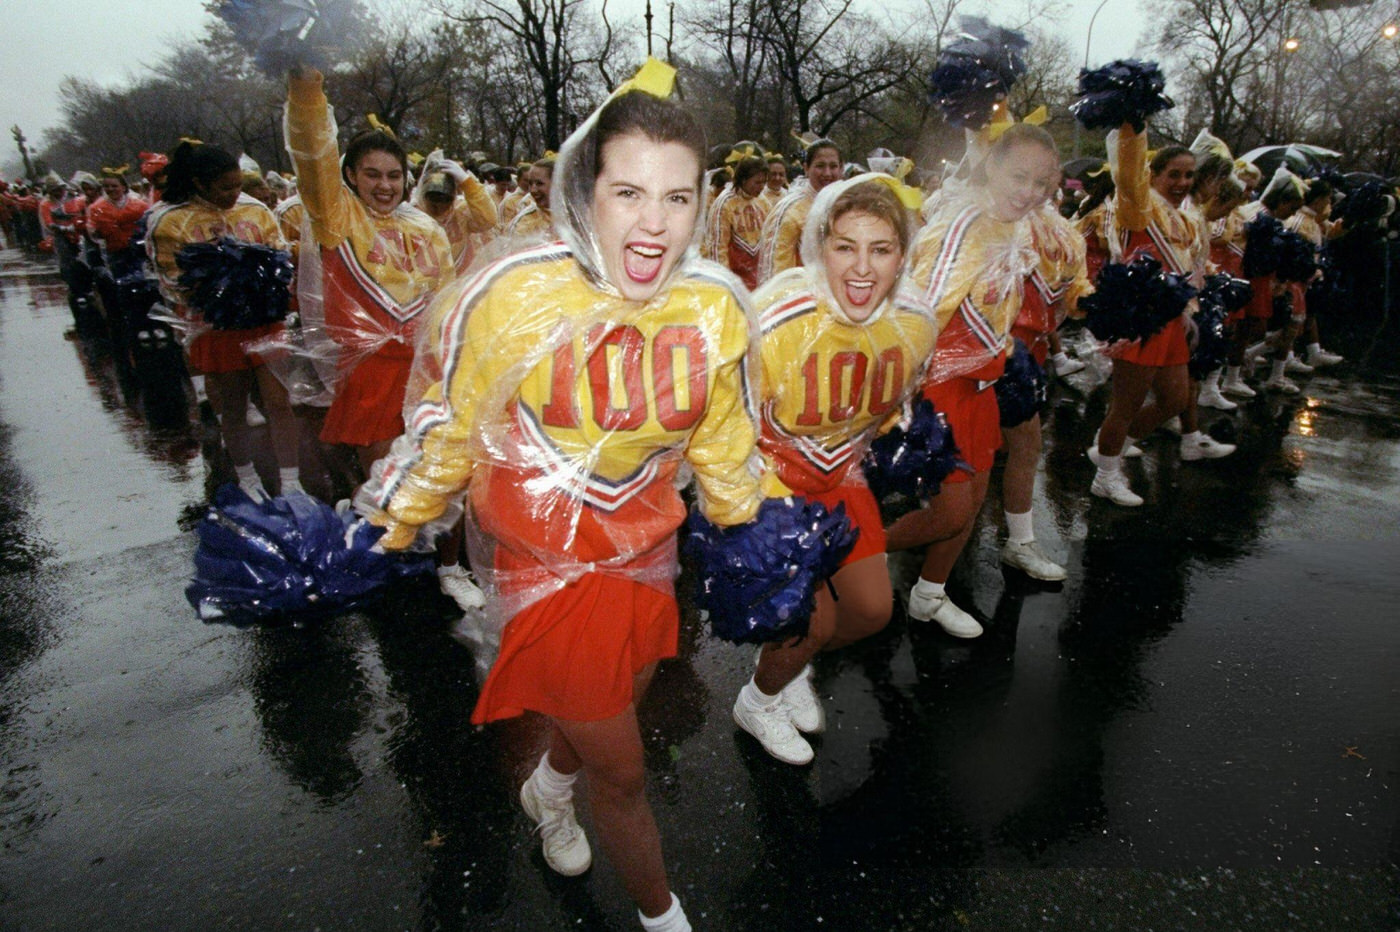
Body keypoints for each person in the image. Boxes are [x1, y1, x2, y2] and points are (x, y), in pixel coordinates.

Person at [359, 63, 759, 932]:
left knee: (620, 699)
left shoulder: (715, 306)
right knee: (624, 772)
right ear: (586, 191)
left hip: (647, 555)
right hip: (547, 568)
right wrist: (386, 530)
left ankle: (547, 785)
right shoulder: (514, 293)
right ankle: (661, 914)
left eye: (678, 197)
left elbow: (724, 439)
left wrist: (748, 526)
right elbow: (449, 429)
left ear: (702, 204)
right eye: (629, 192)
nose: (654, 222)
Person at [732, 174, 936, 764]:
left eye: (882, 248)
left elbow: (894, 406)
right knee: (811, 622)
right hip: (770, 484)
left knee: (872, 611)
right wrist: (759, 513)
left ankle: (786, 667)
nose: (862, 267)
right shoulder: (775, 317)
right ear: (819, 246)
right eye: (845, 246)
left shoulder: (916, 321)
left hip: (841, 480)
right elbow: (725, 428)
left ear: (904, 254)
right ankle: (757, 699)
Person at [884, 123, 1058, 637]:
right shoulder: (961, 224)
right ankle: (843, 552)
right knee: (948, 513)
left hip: (982, 385)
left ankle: (929, 594)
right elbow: (919, 315)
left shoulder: (1012, 224)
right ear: (992, 166)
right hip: (940, 388)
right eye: (1019, 176)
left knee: (970, 505)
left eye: (1041, 184)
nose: (1029, 193)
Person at [283, 66, 453, 474]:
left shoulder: (426, 228)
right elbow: (313, 155)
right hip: (372, 373)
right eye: (372, 174)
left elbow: (449, 299)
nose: (384, 185)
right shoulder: (337, 218)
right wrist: (307, 86)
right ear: (350, 177)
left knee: (433, 487)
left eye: (394, 175)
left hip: (427, 370)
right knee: (384, 484)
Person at [146, 141, 303, 501]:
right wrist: (219, 283)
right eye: (225, 188)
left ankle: (292, 481)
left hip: (265, 322)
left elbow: (280, 253)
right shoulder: (169, 219)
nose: (235, 194)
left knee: (280, 403)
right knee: (234, 408)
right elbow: (171, 282)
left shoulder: (256, 209)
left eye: (237, 186)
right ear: (200, 183)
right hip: (217, 329)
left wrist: (267, 276)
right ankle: (247, 476)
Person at [1086, 131, 1222, 508]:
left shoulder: (1186, 218)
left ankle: (1111, 448)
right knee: (1124, 405)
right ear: (1154, 175)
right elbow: (1129, 173)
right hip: (1139, 318)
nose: (1182, 183)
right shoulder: (1138, 206)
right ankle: (1105, 476)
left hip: (1171, 319)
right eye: (1173, 175)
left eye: (1188, 175)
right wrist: (1133, 122)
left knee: (1176, 399)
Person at [997, 196, 1093, 581]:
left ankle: (1019, 542)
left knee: (1019, 446)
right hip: (993, 346)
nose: (1033, 185)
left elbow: (1074, 279)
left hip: (1032, 347)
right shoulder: (985, 218)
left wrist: (1086, 297)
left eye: (1044, 176)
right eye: (1020, 174)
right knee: (1012, 448)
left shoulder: (1060, 228)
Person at [756, 139, 843, 282]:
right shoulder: (790, 209)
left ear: (841, 169)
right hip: (803, 298)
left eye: (833, 166)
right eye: (820, 166)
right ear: (806, 168)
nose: (827, 173)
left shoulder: (846, 205)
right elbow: (775, 272)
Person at [412, 158, 498, 276]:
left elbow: (488, 220)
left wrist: (468, 184)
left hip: (458, 285)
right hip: (423, 286)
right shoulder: (413, 215)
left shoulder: (461, 213)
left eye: (445, 199)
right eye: (433, 198)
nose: (439, 204)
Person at [702, 154, 768, 289]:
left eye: (763, 182)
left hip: (758, 280)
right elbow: (717, 247)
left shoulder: (763, 202)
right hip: (734, 280)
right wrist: (724, 284)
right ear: (743, 180)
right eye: (757, 182)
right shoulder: (725, 204)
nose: (761, 187)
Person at [505, 157, 555, 239]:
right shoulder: (524, 221)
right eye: (530, 183)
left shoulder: (575, 215)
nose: (533, 190)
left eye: (539, 183)